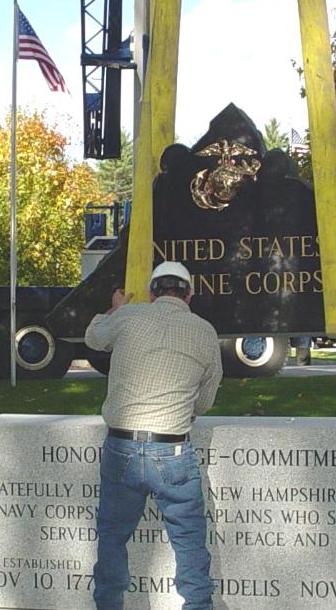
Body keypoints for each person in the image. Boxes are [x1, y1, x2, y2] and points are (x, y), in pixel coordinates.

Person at [85, 261, 223, 610]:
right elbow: (205, 400)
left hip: (122, 446)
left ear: (151, 292)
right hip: (173, 450)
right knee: (189, 540)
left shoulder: (129, 316)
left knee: (113, 537)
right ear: (189, 295)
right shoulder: (204, 330)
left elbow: (94, 338)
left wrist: (114, 309)